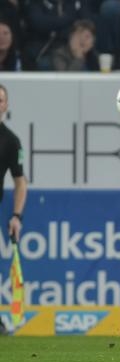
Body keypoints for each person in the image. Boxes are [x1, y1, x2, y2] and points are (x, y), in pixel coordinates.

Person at [0, 83, 27, 334]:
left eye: (0, 100)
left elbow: (20, 182)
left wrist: (16, 216)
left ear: (6, 105)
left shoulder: (11, 142)